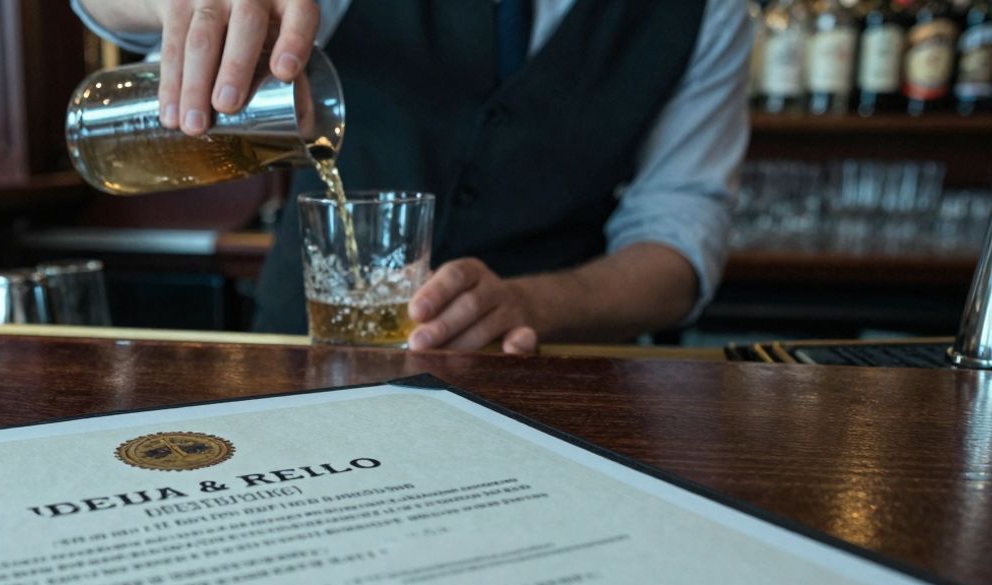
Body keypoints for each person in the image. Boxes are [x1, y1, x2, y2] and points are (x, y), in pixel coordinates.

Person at [73, 0, 751, 354]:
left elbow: (680, 241)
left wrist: (532, 306)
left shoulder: (707, 12)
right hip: (301, 357)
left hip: (534, 378)